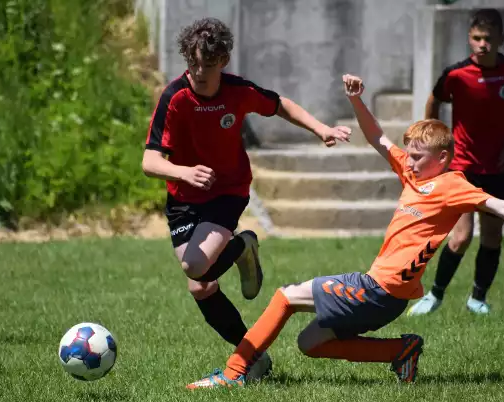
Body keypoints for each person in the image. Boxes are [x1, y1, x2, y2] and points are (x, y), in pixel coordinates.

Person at [185, 74, 504, 389]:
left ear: (442, 159)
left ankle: (234, 373)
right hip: (392, 297)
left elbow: (500, 204)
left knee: (285, 297)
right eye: (408, 155)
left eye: (417, 157)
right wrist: (357, 99)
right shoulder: (413, 175)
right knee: (310, 344)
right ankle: (401, 350)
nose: (408, 162)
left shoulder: (452, 185)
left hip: (379, 288)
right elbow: (377, 137)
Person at [142, 17, 351, 380]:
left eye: (207, 66)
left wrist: (321, 129)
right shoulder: (174, 97)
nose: (199, 73)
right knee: (200, 285)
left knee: (195, 266)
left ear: (223, 61)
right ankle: (253, 357)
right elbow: (149, 160)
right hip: (183, 199)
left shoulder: (238, 91)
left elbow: (279, 104)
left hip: (228, 190)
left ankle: (240, 248)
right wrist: (183, 172)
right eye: (192, 65)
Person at [409, 9, 504, 315]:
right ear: (469, 38)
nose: (482, 44)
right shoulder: (456, 75)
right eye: (477, 38)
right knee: (461, 236)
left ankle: (478, 298)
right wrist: (434, 137)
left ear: (501, 39)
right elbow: (434, 98)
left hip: (496, 167)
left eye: (489, 38)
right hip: (462, 167)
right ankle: (434, 296)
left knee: (492, 235)